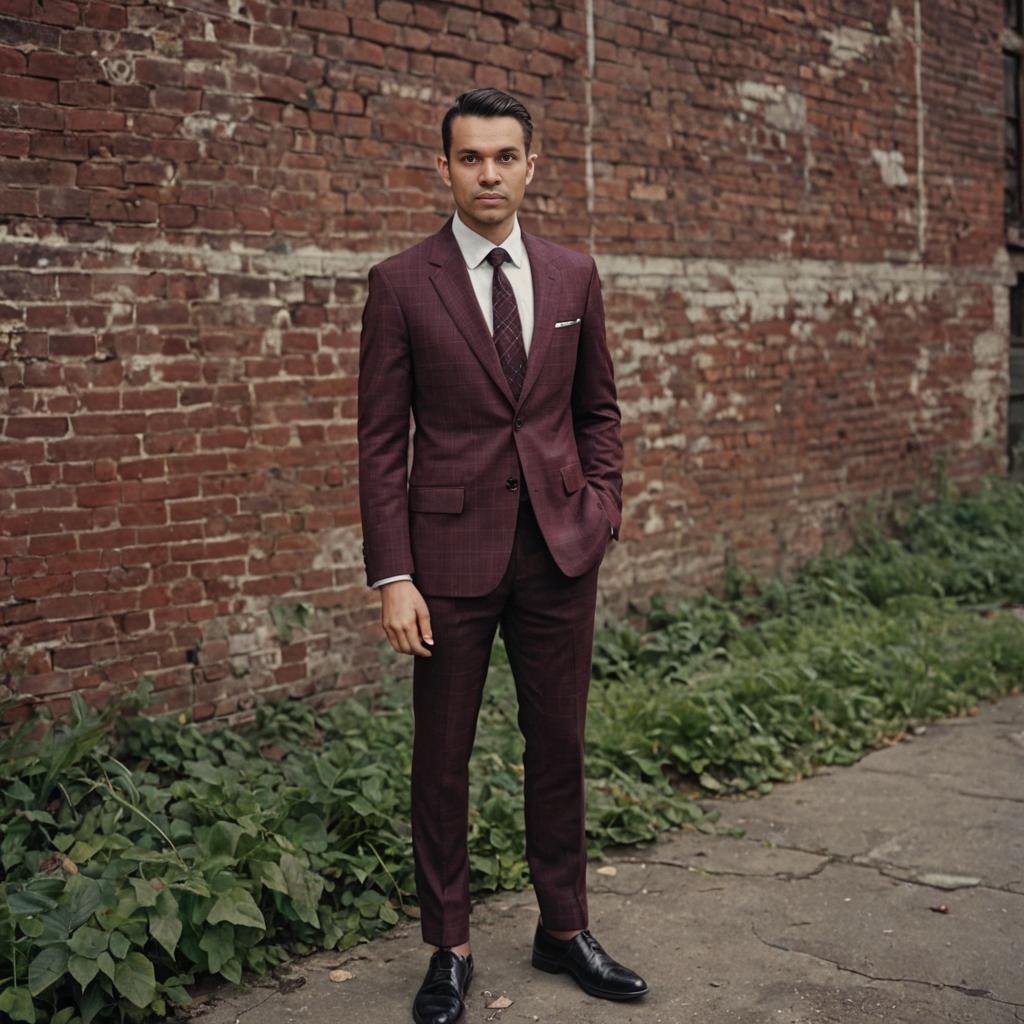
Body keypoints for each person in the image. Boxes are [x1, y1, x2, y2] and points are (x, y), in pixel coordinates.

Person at [357, 87, 647, 1024]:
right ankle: (449, 946)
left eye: (505, 156)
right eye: (471, 157)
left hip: (561, 554)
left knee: (557, 747)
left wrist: (599, 509)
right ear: (443, 168)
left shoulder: (573, 275)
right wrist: (393, 575)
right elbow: (379, 442)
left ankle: (564, 929)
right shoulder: (401, 283)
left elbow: (597, 409)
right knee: (441, 758)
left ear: (532, 165)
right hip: (446, 564)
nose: (489, 173)